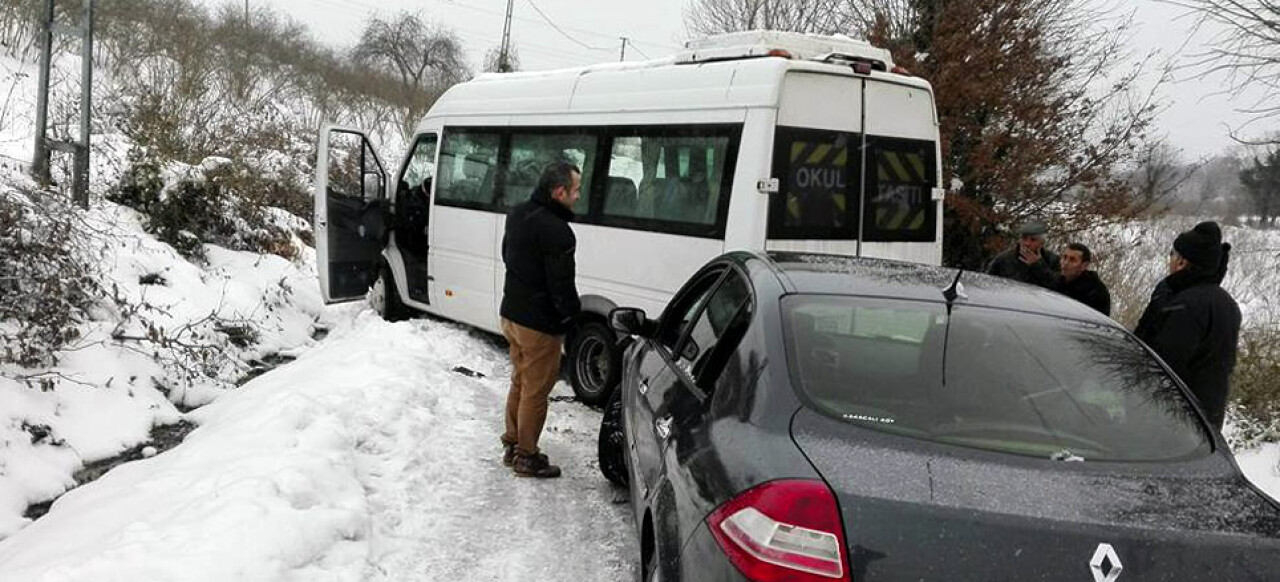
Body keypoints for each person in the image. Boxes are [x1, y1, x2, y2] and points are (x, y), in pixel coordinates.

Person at [498, 161, 582, 478]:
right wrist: (571, 319)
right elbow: (561, 287)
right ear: (558, 192)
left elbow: (508, 256)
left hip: (511, 315)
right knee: (535, 390)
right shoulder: (559, 232)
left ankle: (512, 443)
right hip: (539, 324)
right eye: (575, 190)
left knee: (520, 380)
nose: (577, 196)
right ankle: (526, 456)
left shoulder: (517, 213)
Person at [1134, 221, 1241, 430]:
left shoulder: (1184, 305)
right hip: (1209, 413)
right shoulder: (1227, 303)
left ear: (1182, 262)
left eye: (1172, 254)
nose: (1170, 259)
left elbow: (1164, 363)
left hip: (1174, 414)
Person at [986, 221, 1060, 288]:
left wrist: (1038, 266)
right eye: (1024, 239)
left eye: (1033, 240)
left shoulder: (1052, 260)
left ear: (1042, 243)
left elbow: (1057, 286)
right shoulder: (1004, 259)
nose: (1027, 244)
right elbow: (988, 282)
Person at [1052, 242, 1111, 316]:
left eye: (1072, 260)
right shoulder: (1058, 280)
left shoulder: (1095, 291)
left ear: (1084, 266)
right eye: (1064, 257)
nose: (1065, 263)